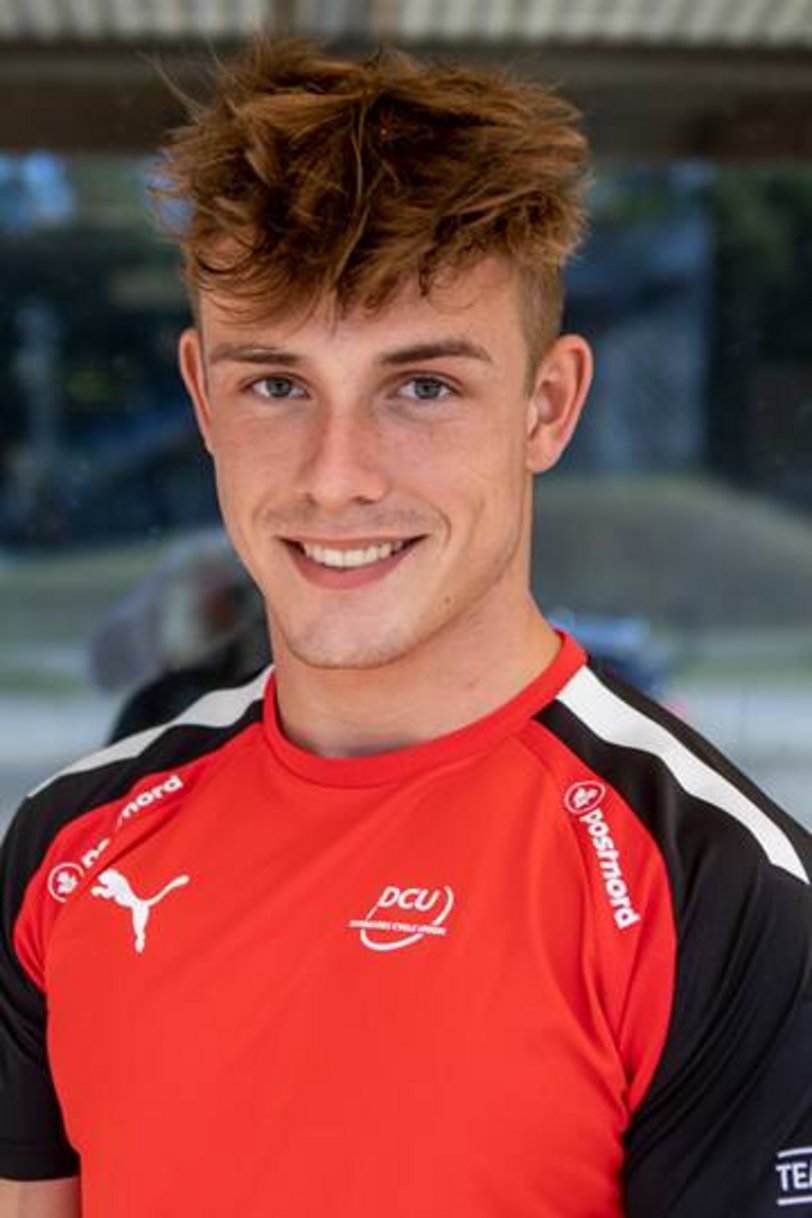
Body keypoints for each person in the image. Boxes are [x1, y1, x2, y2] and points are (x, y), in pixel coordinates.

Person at [1, 37, 810, 1218]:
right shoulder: (65, 846)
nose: (336, 477)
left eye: (421, 387)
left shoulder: (720, 892)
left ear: (546, 406)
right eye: (277, 385)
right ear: (202, 395)